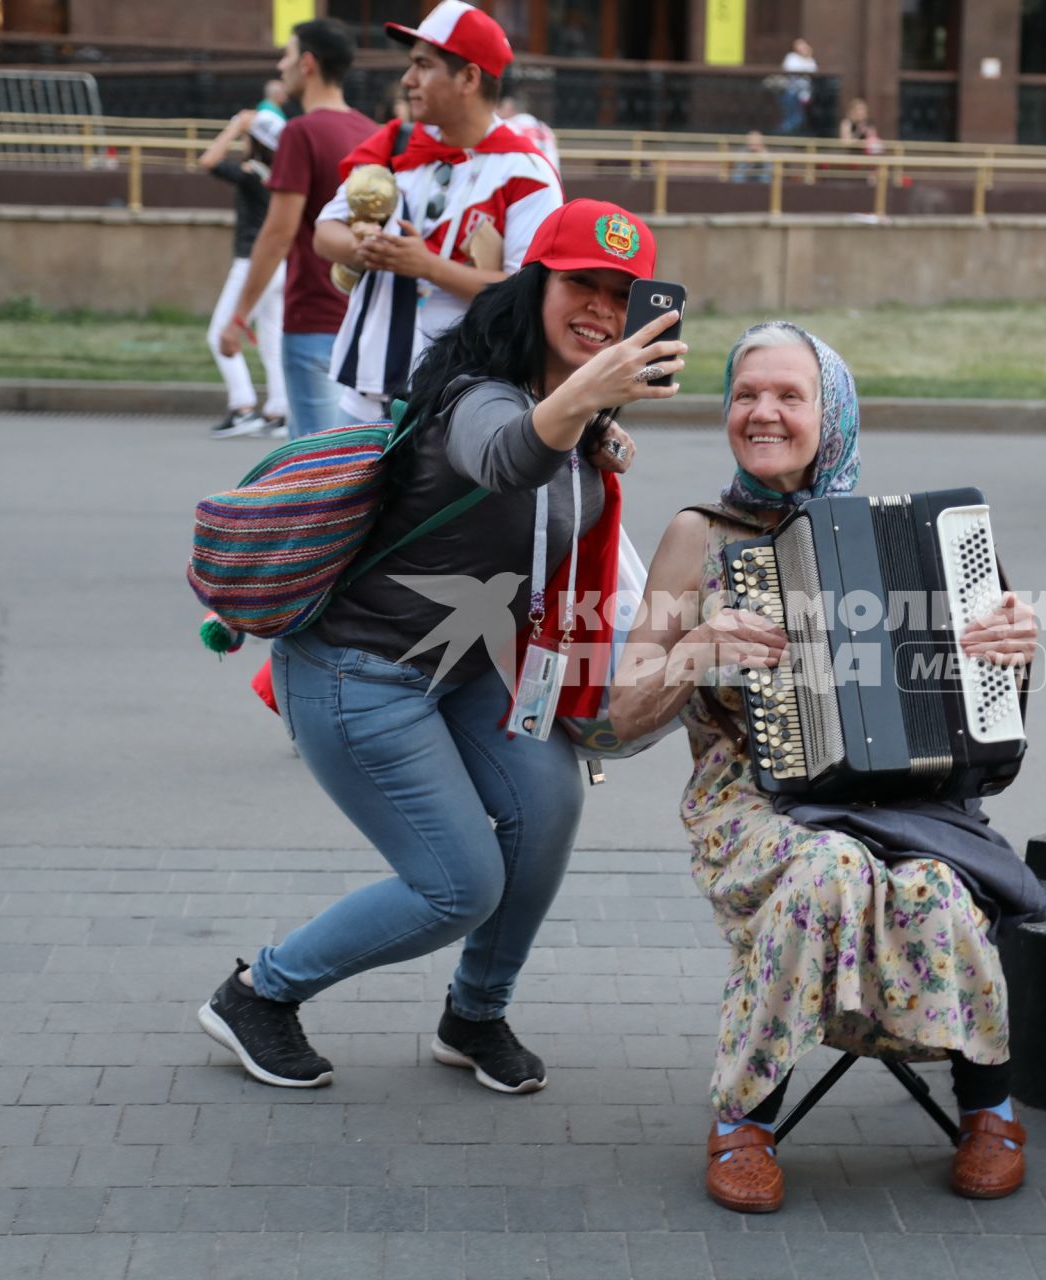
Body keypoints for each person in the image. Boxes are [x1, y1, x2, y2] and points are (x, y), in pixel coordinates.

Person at [196, 200, 683, 1093]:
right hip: (356, 674)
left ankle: (475, 1014)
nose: (603, 314)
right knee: (458, 885)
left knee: (545, 808)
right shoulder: (479, 399)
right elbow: (506, 458)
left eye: (624, 298)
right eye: (582, 286)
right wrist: (588, 401)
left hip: (463, 669)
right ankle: (258, 995)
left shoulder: (569, 413)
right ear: (535, 284)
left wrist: (590, 420)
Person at [605, 321, 1046, 1213]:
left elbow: (983, 732)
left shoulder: (917, 540)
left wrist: (1015, 651)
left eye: (789, 396)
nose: (762, 412)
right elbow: (616, 715)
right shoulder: (698, 536)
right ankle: (746, 1117)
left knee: (933, 885)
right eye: (744, 394)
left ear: (831, 415)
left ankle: (988, 1104)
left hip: (908, 800)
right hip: (752, 802)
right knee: (829, 868)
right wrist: (692, 648)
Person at [317, 3, 564, 427]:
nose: (407, 80)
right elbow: (324, 234)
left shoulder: (526, 172)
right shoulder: (396, 146)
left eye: (423, 66)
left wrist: (426, 266)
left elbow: (529, 294)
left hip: (458, 398)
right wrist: (365, 246)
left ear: (468, 77)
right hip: (365, 388)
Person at [217, 20, 375, 440]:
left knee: (312, 470)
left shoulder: (300, 133)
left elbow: (277, 233)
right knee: (356, 463)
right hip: (365, 321)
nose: (280, 64)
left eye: (286, 55)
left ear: (307, 63)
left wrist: (238, 318)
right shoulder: (371, 133)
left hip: (314, 320)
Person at [198, 102, 291, 440]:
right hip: (279, 265)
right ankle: (280, 411)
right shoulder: (281, 177)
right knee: (272, 341)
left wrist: (235, 127)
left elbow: (208, 161)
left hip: (253, 265)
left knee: (218, 334)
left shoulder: (252, 174)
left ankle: (242, 408)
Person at [498, 91, 561, 171]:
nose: (496, 111)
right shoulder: (544, 128)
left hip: (527, 178)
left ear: (510, 109)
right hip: (552, 177)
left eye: (500, 107)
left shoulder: (508, 127)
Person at [778, 37, 817, 135]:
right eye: (799, 45)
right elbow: (791, 70)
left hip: (805, 94)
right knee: (792, 116)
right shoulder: (791, 57)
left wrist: (807, 58)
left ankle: (787, 132)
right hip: (791, 92)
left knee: (801, 118)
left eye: (803, 45)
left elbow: (813, 71)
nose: (801, 48)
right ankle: (782, 133)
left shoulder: (810, 60)